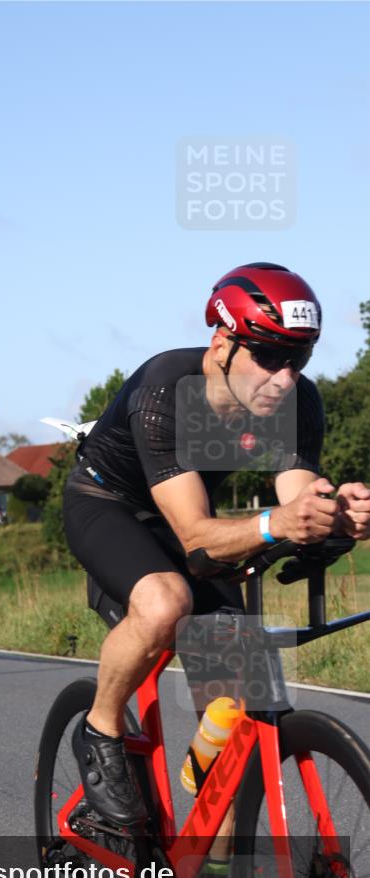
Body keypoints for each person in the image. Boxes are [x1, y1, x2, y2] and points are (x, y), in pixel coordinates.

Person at [63, 262, 370, 831]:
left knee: (243, 715)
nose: (284, 377)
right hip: (110, 505)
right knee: (163, 603)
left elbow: (296, 497)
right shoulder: (166, 389)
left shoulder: (297, 402)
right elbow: (196, 539)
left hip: (193, 512)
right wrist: (278, 523)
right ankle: (100, 731)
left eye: (298, 359)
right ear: (223, 343)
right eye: (270, 356)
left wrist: (334, 515)